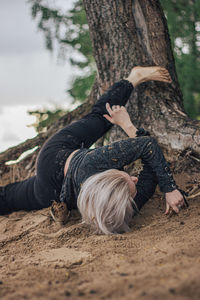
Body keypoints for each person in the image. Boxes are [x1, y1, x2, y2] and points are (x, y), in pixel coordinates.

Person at [0, 66, 185, 234]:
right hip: (58, 185)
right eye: (133, 184)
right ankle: (134, 78)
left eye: (130, 183)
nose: (136, 179)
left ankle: (132, 77)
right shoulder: (116, 210)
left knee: (102, 117)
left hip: (52, 165)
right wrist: (169, 187)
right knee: (10, 199)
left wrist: (125, 124)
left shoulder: (96, 164)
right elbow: (150, 172)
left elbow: (147, 145)